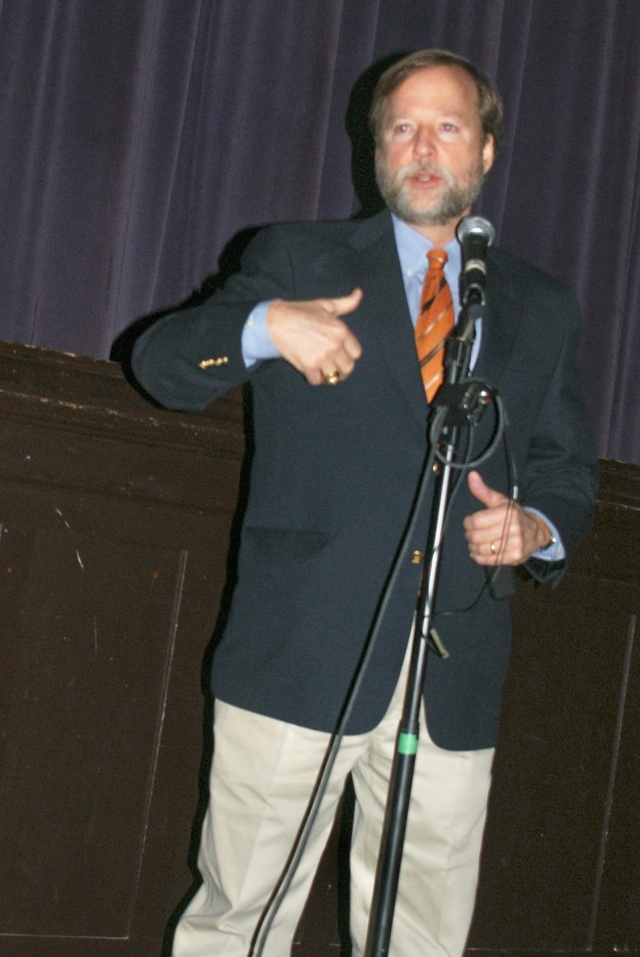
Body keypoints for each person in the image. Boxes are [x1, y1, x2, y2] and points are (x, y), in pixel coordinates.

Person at [130, 49, 598, 957]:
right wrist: (265, 327)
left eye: (448, 126)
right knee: (238, 926)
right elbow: (160, 364)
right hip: (299, 659)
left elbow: (566, 470)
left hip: (453, 682)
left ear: (488, 151)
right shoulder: (299, 256)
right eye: (402, 127)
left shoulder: (541, 305)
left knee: (421, 938)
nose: (423, 146)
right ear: (376, 150)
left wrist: (534, 527)